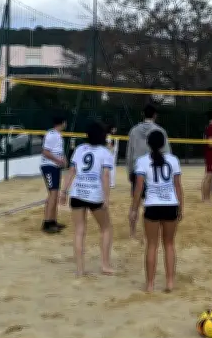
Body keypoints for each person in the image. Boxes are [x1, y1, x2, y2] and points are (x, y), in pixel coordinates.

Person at [129, 130, 184, 293]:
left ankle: (150, 284)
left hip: (152, 206)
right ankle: (170, 282)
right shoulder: (173, 160)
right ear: (163, 143)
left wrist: (134, 209)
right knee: (169, 244)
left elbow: (139, 188)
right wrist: (181, 207)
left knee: (152, 245)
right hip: (170, 205)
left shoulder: (142, 161)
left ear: (148, 144)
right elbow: (178, 186)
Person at [59, 122, 115, 277]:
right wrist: (106, 198)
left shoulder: (79, 149)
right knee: (106, 228)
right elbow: (105, 176)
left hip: (77, 193)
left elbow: (71, 171)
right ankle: (105, 265)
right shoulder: (105, 152)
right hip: (94, 194)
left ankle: (80, 269)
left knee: (79, 231)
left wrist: (63, 192)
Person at [126, 104, 171, 238]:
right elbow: (167, 153)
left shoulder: (134, 131)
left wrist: (130, 171)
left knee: (135, 203)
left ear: (143, 114)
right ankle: (152, 231)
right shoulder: (160, 131)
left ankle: (132, 231)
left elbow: (129, 153)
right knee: (154, 203)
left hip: (137, 170)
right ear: (155, 115)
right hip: (154, 171)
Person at [41, 116, 68, 234]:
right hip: (49, 166)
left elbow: (58, 152)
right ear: (62, 123)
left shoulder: (58, 135)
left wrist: (63, 160)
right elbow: (45, 152)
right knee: (52, 194)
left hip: (55, 167)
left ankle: (52, 221)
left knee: (54, 194)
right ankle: (47, 223)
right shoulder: (51, 134)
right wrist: (58, 160)